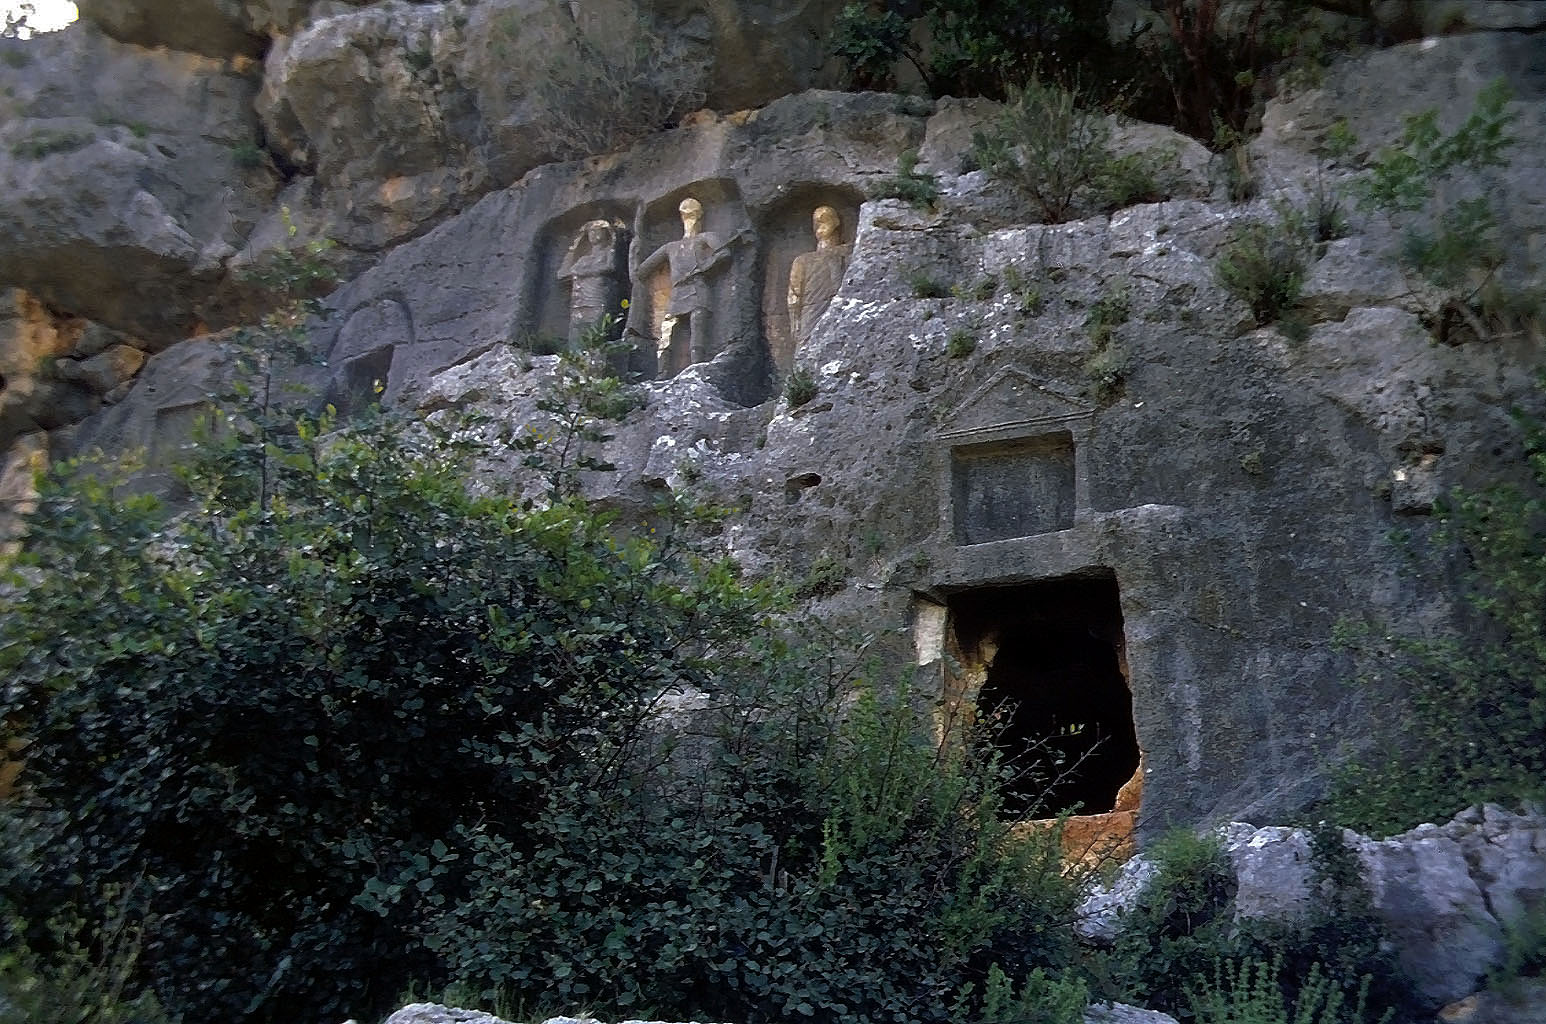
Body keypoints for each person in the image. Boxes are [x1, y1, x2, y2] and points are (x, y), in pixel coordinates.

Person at [634, 197, 744, 375]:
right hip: (677, 292)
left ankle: (697, 367)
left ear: (699, 215)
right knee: (666, 333)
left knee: (697, 327)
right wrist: (635, 247)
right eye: (686, 214)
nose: (689, 218)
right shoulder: (671, 247)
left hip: (697, 288)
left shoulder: (705, 238)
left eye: (692, 214)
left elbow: (724, 253)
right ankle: (662, 373)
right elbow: (643, 270)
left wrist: (705, 267)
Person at [787, 205, 851, 343]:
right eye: (817, 221)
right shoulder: (803, 260)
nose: (819, 224)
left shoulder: (848, 252)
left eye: (824, 219)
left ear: (836, 222)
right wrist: (795, 323)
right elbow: (794, 296)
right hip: (811, 311)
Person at [557, 219, 624, 344]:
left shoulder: (609, 252)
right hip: (580, 300)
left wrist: (585, 272)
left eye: (596, 231)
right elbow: (563, 274)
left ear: (605, 233)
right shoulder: (584, 259)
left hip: (598, 297)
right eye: (590, 232)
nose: (592, 234)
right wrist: (573, 247)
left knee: (598, 329)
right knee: (577, 331)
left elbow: (611, 267)